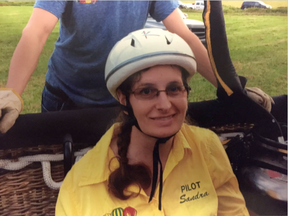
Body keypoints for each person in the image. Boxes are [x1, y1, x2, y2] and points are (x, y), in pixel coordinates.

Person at [56, 29, 249, 216]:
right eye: (146, 91)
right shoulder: (80, 184)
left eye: (174, 88)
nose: (165, 105)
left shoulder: (206, 147)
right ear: (123, 99)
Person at [0, 0, 217, 134]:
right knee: (59, 173)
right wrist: (13, 93)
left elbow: (185, 37)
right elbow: (36, 31)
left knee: (115, 175)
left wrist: (227, 85)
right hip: (65, 98)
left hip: (118, 99)